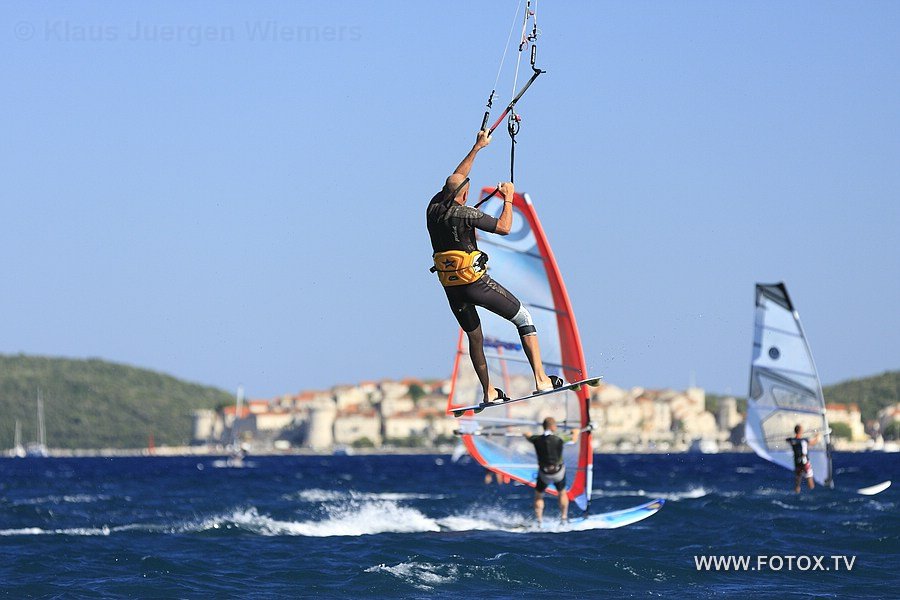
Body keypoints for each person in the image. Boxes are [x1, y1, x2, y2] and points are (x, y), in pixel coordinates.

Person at [426, 129, 562, 405]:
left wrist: (477, 147)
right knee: (523, 318)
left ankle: (488, 391)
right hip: (475, 284)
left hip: (452, 288)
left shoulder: (432, 207)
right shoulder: (466, 213)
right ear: (464, 196)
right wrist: (508, 197)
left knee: (474, 337)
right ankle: (541, 380)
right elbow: (504, 227)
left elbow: (455, 179)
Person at [524, 417, 580, 524]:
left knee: (538, 495)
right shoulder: (559, 438)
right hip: (558, 472)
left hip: (544, 473)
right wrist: (575, 432)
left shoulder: (536, 439)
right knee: (562, 493)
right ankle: (564, 517)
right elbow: (573, 440)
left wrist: (526, 434)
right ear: (553, 427)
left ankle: (539, 520)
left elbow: (528, 435)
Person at [786, 424, 820, 493]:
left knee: (798, 479)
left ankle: (797, 492)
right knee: (809, 479)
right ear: (800, 431)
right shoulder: (804, 440)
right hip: (804, 462)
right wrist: (817, 436)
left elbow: (787, 440)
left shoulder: (792, 440)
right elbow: (814, 442)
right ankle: (812, 492)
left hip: (797, 462)